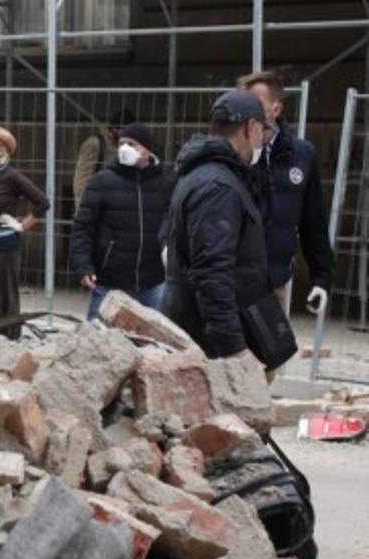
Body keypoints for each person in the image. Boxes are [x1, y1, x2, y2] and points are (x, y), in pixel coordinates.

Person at [161, 91, 272, 363]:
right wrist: (234, 348)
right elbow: (213, 272)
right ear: (251, 128)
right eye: (263, 132)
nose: (263, 140)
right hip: (208, 341)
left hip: (204, 330)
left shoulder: (207, 174)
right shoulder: (218, 186)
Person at [238, 70, 334, 316]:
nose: (247, 112)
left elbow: (313, 222)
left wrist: (321, 278)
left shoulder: (301, 155)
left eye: (256, 105)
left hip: (273, 283)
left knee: (273, 342)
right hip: (229, 281)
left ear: (276, 109)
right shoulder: (232, 150)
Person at [70, 122, 174, 319]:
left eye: (132, 144)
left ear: (146, 150)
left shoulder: (166, 183)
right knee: (98, 336)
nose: (125, 149)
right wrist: (83, 265)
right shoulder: (102, 181)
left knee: (157, 337)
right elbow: (83, 227)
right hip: (109, 282)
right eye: (121, 144)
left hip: (154, 281)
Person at [0, 125, 50, 339]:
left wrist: (23, 225)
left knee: (6, 295)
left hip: (4, 244)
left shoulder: (12, 177)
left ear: (1, 149)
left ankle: (10, 340)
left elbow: (42, 202)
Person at [73, 108, 135, 206]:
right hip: (96, 204)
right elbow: (82, 181)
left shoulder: (123, 147)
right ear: (115, 129)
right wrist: (85, 207)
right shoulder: (95, 143)